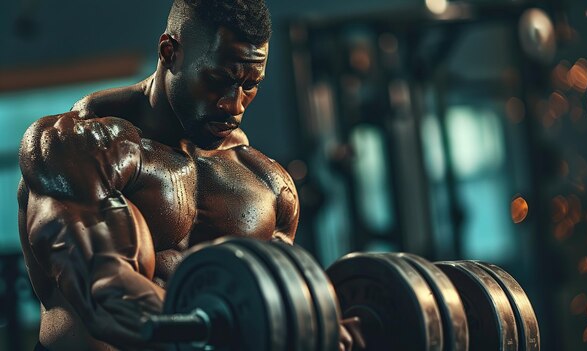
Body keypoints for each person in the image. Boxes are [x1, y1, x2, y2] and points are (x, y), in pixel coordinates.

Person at [18, 0, 362, 350]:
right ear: (170, 52)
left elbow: (283, 304)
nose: (234, 105)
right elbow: (105, 293)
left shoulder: (268, 183)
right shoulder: (81, 148)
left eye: (249, 85)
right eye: (218, 80)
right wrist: (239, 328)